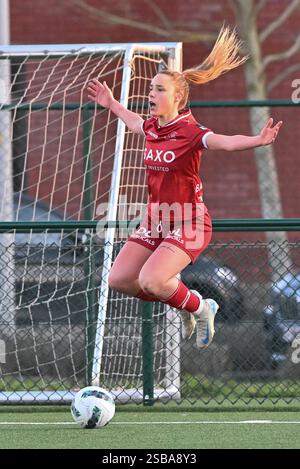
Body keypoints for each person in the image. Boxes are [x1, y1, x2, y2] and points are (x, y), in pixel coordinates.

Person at [87, 26, 282, 349]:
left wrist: (256, 141)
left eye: (160, 89)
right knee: (119, 280)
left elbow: (223, 141)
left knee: (152, 280)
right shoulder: (151, 126)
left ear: (177, 97)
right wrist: (111, 103)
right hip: (156, 221)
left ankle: (202, 307)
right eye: (151, 88)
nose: (152, 94)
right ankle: (186, 303)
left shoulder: (190, 131)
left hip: (189, 223)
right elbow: (135, 122)